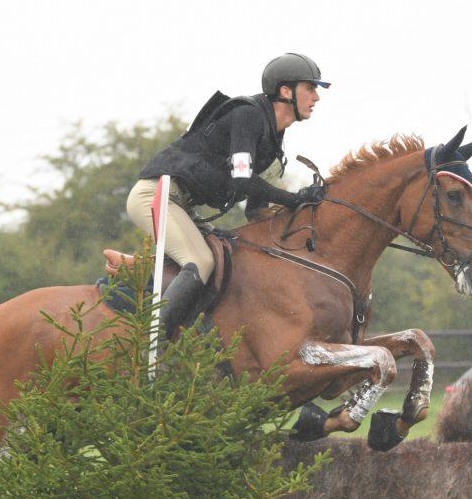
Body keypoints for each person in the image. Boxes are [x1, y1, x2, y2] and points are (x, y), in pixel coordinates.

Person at [127, 53, 330, 337]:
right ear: (286, 91)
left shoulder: (274, 141)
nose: (316, 97)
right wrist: (294, 198)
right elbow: (241, 177)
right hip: (156, 197)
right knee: (201, 261)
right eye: (310, 88)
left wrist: (305, 216)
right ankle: (154, 341)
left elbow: (255, 211)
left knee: (235, 254)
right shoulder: (248, 115)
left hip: (182, 207)